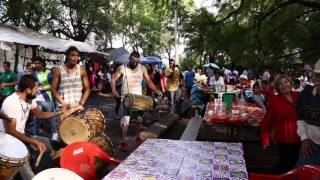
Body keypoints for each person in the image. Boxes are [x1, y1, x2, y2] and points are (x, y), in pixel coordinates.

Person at [0, 74, 68, 179]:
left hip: (20, 135)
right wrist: (34, 142)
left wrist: (59, 112)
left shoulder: (30, 99)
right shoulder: (11, 103)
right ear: (28, 90)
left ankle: (46, 168)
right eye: (36, 88)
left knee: (49, 143)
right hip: (8, 142)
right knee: (28, 172)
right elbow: (11, 132)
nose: (38, 90)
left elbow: (41, 114)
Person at [111, 51, 161, 152]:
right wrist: (113, 90)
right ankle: (124, 142)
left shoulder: (142, 68)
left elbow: (148, 81)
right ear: (129, 58)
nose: (135, 64)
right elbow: (113, 79)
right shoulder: (122, 68)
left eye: (137, 62)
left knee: (139, 120)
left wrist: (155, 89)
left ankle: (138, 137)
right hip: (126, 99)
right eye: (133, 61)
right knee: (125, 122)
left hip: (139, 99)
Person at [261, 75, 300, 174]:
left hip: (302, 139)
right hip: (284, 139)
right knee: (284, 166)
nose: (284, 85)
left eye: (286, 82)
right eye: (280, 84)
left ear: (290, 83)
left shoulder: (299, 96)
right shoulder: (275, 100)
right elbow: (267, 121)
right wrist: (265, 138)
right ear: (278, 88)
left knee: (297, 166)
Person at [296, 59, 320, 167]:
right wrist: (304, 138)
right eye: (317, 75)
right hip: (311, 147)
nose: (318, 80)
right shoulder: (306, 93)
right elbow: (300, 117)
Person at [32, 57, 59, 140]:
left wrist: (42, 89)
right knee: (36, 117)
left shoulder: (49, 73)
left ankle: (54, 134)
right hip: (37, 98)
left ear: (42, 64)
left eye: (37, 63)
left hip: (47, 98)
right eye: (35, 63)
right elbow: (34, 84)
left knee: (50, 117)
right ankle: (34, 134)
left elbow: (54, 86)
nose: (35, 65)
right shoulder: (34, 73)